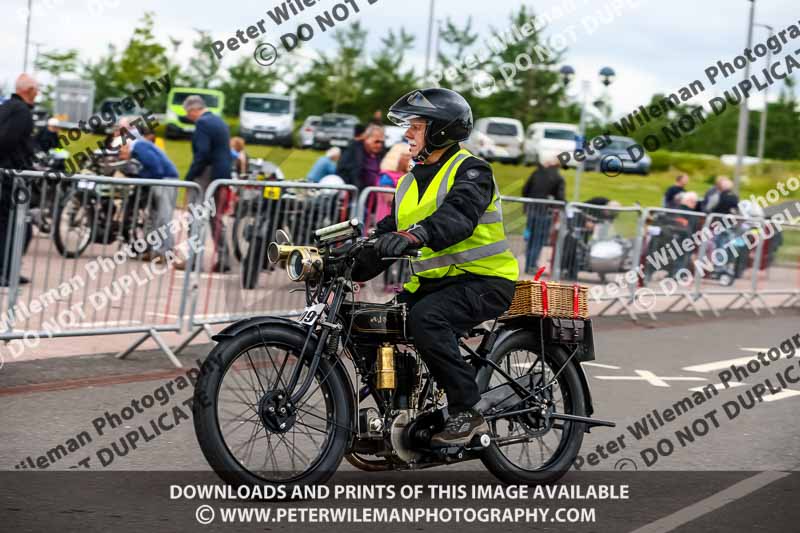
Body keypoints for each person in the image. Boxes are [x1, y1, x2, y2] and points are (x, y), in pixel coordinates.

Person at [352, 88, 519, 447]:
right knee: (366, 324)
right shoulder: (409, 182)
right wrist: (344, 260)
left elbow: (458, 216)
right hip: (435, 285)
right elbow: (385, 233)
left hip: (484, 280)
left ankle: (467, 409)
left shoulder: (472, 170)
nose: (408, 133)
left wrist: (415, 236)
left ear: (441, 131)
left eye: (417, 125)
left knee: (425, 320)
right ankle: (398, 411)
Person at [181, 95, 233, 272]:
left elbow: (202, 154)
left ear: (194, 109)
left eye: (188, 113)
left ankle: (193, 261)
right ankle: (224, 258)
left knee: (195, 216)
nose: (189, 117)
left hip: (206, 175)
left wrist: (189, 177)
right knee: (215, 218)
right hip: (222, 175)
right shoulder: (219, 121)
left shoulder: (202, 123)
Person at [0, 73, 38, 287]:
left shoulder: (6, 107)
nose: (38, 93)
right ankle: (6, 271)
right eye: (36, 89)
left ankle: (9, 270)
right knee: (19, 226)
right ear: (28, 90)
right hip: (10, 178)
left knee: (13, 225)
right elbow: (7, 140)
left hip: (7, 176)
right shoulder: (21, 112)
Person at [118, 138, 179, 262]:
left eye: (120, 152)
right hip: (159, 181)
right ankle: (153, 250)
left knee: (163, 218)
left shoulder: (139, 147)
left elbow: (156, 169)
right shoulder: (138, 148)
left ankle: (166, 252)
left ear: (125, 146)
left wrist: (139, 176)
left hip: (165, 180)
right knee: (153, 218)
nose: (121, 157)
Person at [521, 157, 565, 274]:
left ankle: (528, 264)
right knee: (539, 239)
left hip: (532, 209)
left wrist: (526, 206)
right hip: (545, 212)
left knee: (531, 238)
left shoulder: (536, 173)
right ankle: (531, 265)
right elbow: (560, 198)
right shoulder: (558, 177)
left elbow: (525, 189)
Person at [336, 124, 387, 192]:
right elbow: (343, 171)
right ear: (366, 138)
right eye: (376, 141)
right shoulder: (353, 150)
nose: (379, 145)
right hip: (355, 193)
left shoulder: (382, 154)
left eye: (382, 142)